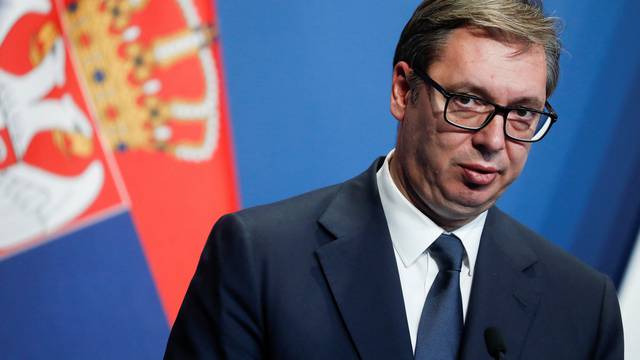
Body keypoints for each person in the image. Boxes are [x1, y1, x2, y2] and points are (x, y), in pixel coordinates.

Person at [165, 0, 624, 359]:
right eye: (467, 101)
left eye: (522, 113)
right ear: (404, 91)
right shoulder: (259, 258)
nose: (493, 140)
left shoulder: (583, 307)